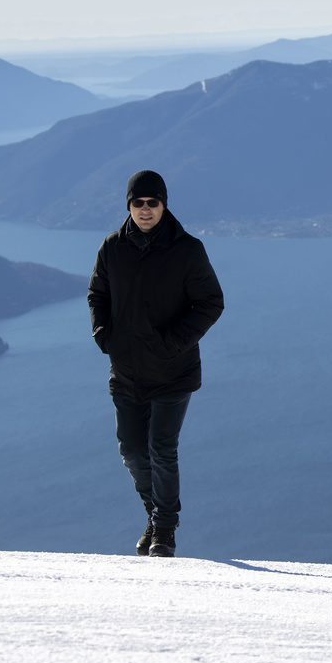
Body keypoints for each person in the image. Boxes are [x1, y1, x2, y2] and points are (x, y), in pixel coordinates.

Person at [88, 170, 225, 558]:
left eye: (153, 202)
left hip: (173, 370)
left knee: (161, 449)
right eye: (138, 203)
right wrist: (103, 334)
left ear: (164, 204)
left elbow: (211, 302)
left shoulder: (187, 249)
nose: (145, 210)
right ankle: (155, 512)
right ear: (128, 206)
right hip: (127, 369)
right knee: (132, 451)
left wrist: (174, 343)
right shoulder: (112, 248)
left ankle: (164, 528)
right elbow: (98, 293)